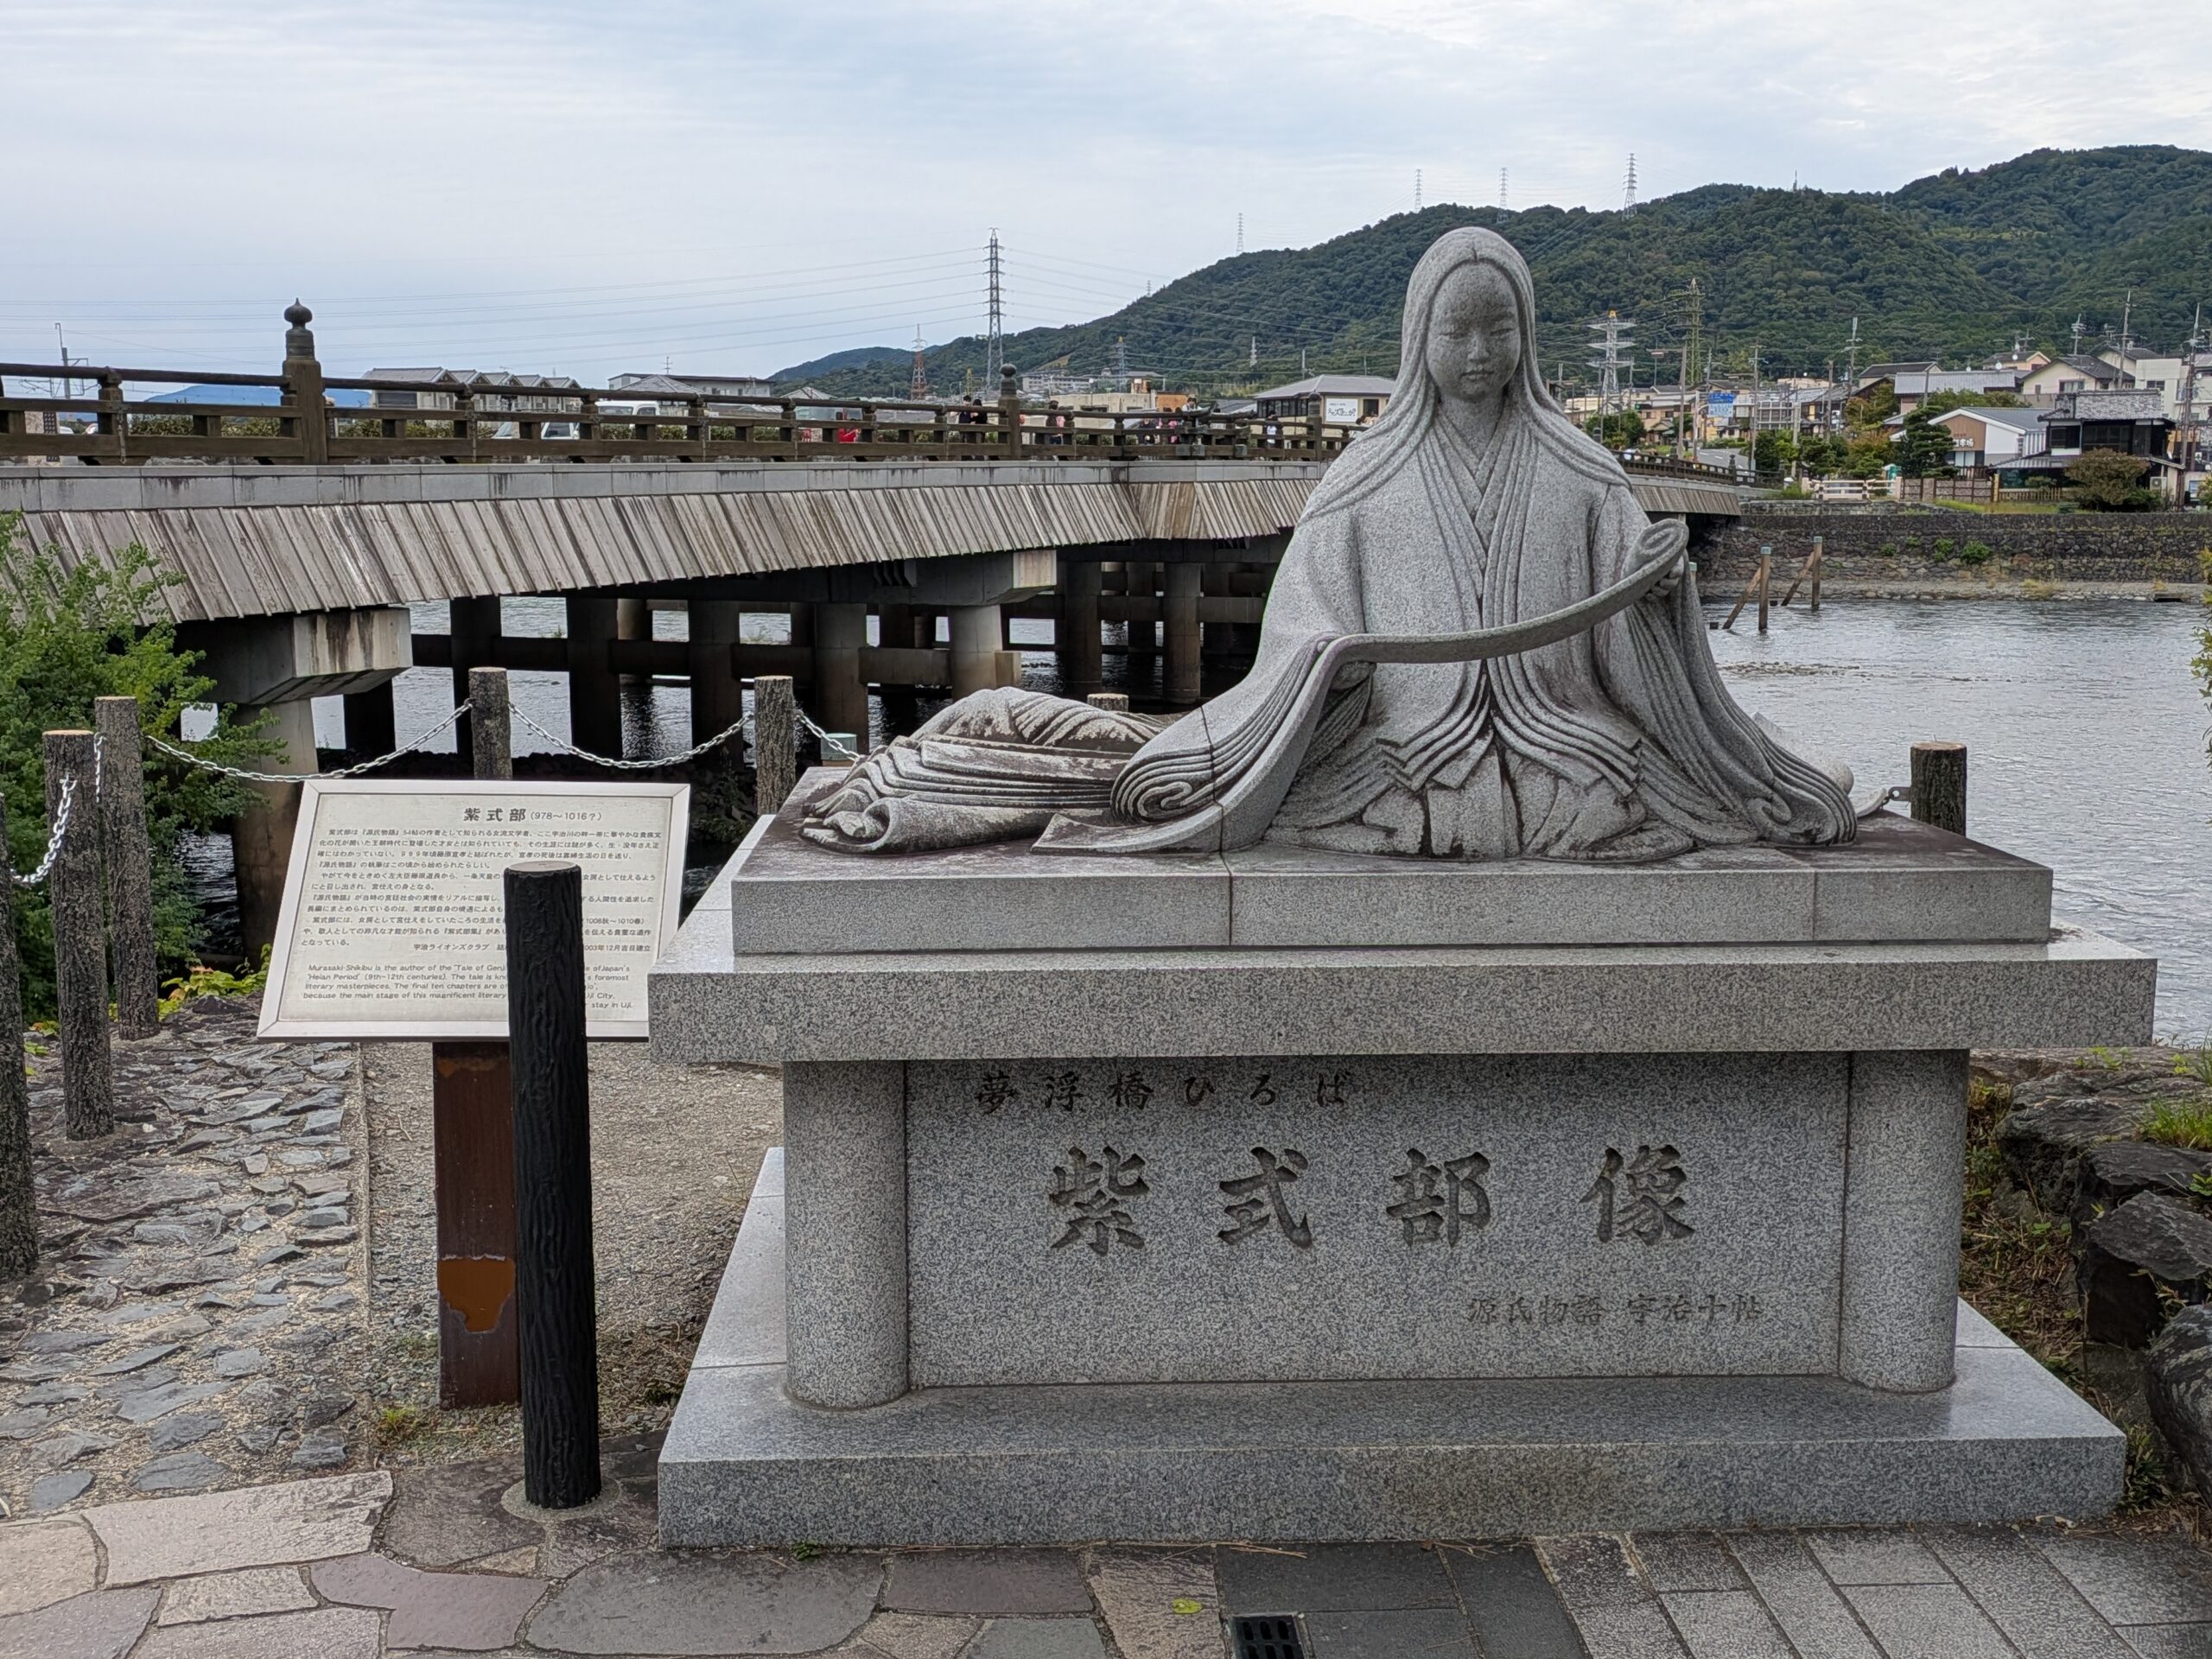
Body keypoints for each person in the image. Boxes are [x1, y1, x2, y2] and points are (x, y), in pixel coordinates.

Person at [804, 227, 1853, 859]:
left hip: (1561, 748)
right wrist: (1330, 672)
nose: (1479, 354)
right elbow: (1301, 630)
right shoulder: (1365, 478)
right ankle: (981, 740)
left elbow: (1630, 663)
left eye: (1500, 331)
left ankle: (973, 756)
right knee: (1164, 770)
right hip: (1384, 746)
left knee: (1574, 793)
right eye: (1457, 332)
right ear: (1418, 339)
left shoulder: (1584, 474)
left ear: (1528, 335)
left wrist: (1653, 599)